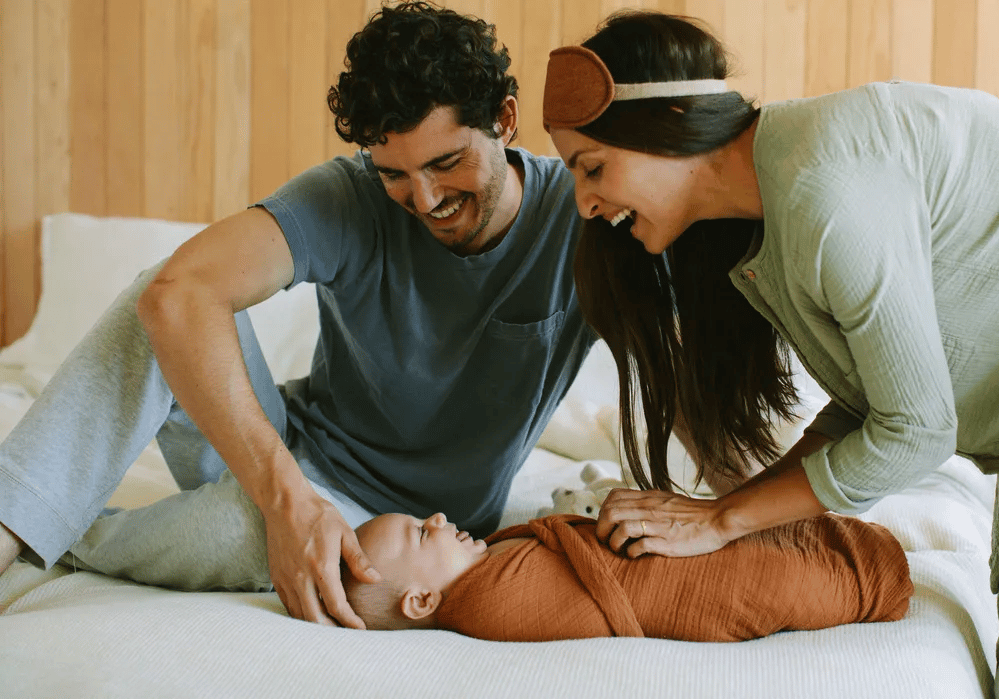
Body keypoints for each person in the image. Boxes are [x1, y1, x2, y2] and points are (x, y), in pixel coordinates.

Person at [540, 10, 999, 698]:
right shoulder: (770, 217)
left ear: (666, 125)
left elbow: (915, 431)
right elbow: (865, 407)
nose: (584, 203)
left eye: (592, 166)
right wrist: (726, 514)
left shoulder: (824, 189)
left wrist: (721, 519)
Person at [0, 2, 594, 630]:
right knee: (164, 292)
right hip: (279, 462)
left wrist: (710, 508)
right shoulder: (349, 195)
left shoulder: (582, 218)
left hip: (418, 537)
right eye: (395, 172)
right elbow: (177, 297)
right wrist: (288, 504)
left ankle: (74, 534)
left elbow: (682, 355)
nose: (424, 200)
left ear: (504, 121)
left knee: (235, 531)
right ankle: (14, 529)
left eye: (446, 163)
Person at [341, 510, 912, 640]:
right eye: (421, 532)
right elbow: (601, 590)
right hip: (675, 586)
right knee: (769, 577)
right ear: (419, 602)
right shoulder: (487, 603)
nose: (438, 517)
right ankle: (854, 567)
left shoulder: (486, 567)